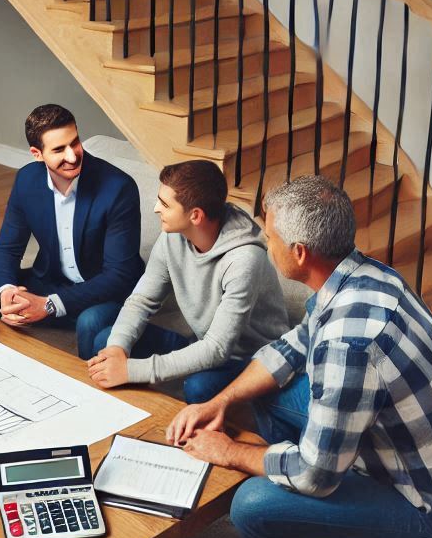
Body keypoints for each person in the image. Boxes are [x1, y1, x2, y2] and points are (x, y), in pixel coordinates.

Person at [165, 176, 432, 538]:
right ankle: (295, 529)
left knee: (251, 504)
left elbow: (316, 474)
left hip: (430, 516)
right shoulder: (365, 274)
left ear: (299, 252)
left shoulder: (349, 344)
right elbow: (292, 347)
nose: (263, 243)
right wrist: (222, 399)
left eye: (269, 236)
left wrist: (229, 452)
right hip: (421, 470)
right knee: (264, 392)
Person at [86, 159, 288, 403]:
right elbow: (142, 301)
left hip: (253, 361)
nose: (155, 209)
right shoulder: (173, 237)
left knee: (198, 387)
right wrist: (118, 349)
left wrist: (131, 370)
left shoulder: (244, 259)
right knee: (105, 342)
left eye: (164, 204)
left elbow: (218, 349)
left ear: (195, 215)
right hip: (203, 343)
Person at [0, 104, 144, 357]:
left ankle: (52, 317)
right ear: (37, 154)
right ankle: (31, 344)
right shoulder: (27, 180)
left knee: (90, 322)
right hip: (52, 281)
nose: (73, 156)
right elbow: (7, 249)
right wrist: (7, 292)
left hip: (103, 291)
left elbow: (120, 275)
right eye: (59, 149)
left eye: (75, 143)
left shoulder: (118, 187)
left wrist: (50, 305)